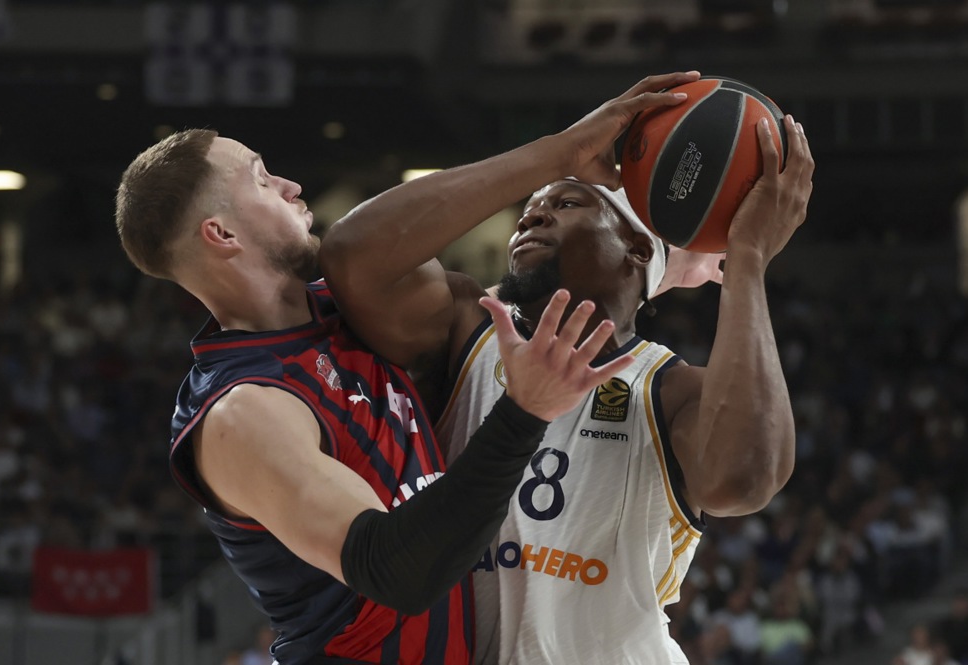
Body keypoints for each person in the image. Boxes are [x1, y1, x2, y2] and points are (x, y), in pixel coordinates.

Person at [319, 70, 814, 663]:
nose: (531, 216)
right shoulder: (464, 328)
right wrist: (559, 153)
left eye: (567, 202)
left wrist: (748, 259)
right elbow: (352, 255)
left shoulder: (672, 389)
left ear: (636, 248)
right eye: (529, 209)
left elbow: (743, 482)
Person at [114, 130, 637, 664]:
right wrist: (523, 413)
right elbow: (397, 572)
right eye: (262, 179)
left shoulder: (345, 310)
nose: (291, 186)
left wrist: (654, 263)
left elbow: (511, 310)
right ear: (222, 233)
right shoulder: (241, 411)